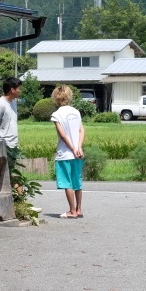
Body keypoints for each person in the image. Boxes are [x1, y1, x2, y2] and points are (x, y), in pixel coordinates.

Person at [50, 86, 85, 219]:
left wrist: (71, 149)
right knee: (77, 181)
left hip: (65, 154)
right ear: (69, 96)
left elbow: (63, 136)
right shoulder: (76, 112)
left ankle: (72, 211)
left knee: (67, 182)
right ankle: (79, 209)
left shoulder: (56, 115)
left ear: (56, 97)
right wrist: (78, 148)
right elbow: (81, 130)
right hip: (78, 153)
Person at [0, 77, 22, 155]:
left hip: (14, 144)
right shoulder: (0, 104)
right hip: (4, 145)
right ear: (12, 90)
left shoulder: (13, 102)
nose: (20, 91)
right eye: (19, 88)